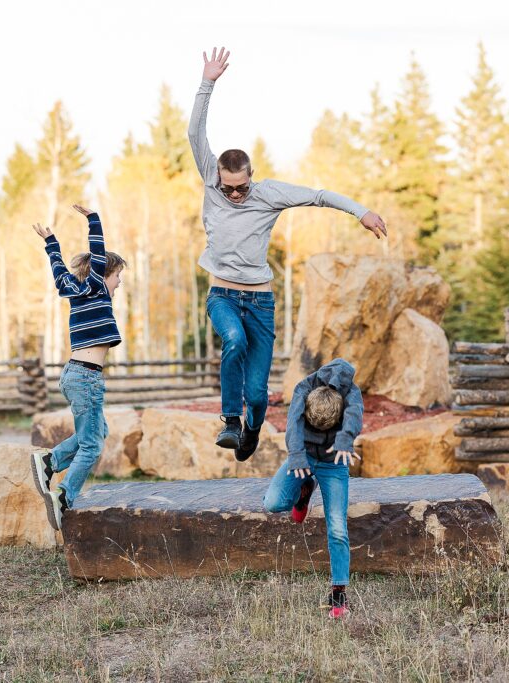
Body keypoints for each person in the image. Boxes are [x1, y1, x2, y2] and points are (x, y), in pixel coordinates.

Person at [189, 46, 386, 462]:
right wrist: (207, 82)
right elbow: (195, 133)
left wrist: (361, 212)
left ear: (251, 177)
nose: (237, 195)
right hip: (223, 295)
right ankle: (229, 420)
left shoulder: (268, 193)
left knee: (259, 394)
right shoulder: (211, 179)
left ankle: (252, 429)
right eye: (229, 189)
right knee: (232, 340)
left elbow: (317, 196)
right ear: (218, 179)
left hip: (260, 301)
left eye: (242, 187)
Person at [29, 205, 127, 530]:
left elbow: (58, 270)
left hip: (78, 374)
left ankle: (50, 461)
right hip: (85, 376)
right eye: (118, 277)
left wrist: (51, 242)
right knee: (92, 444)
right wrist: (94, 219)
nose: (118, 284)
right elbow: (98, 253)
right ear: (103, 274)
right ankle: (64, 495)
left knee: (100, 432)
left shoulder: (74, 293)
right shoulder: (97, 289)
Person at [262, 358, 364, 619]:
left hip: (334, 462)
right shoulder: (303, 388)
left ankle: (338, 594)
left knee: (338, 528)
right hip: (303, 456)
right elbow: (293, 423)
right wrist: (296, 455)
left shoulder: (351, 392)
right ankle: (304, 491)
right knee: (273, 503)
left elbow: (354, 415)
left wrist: (344, 439)